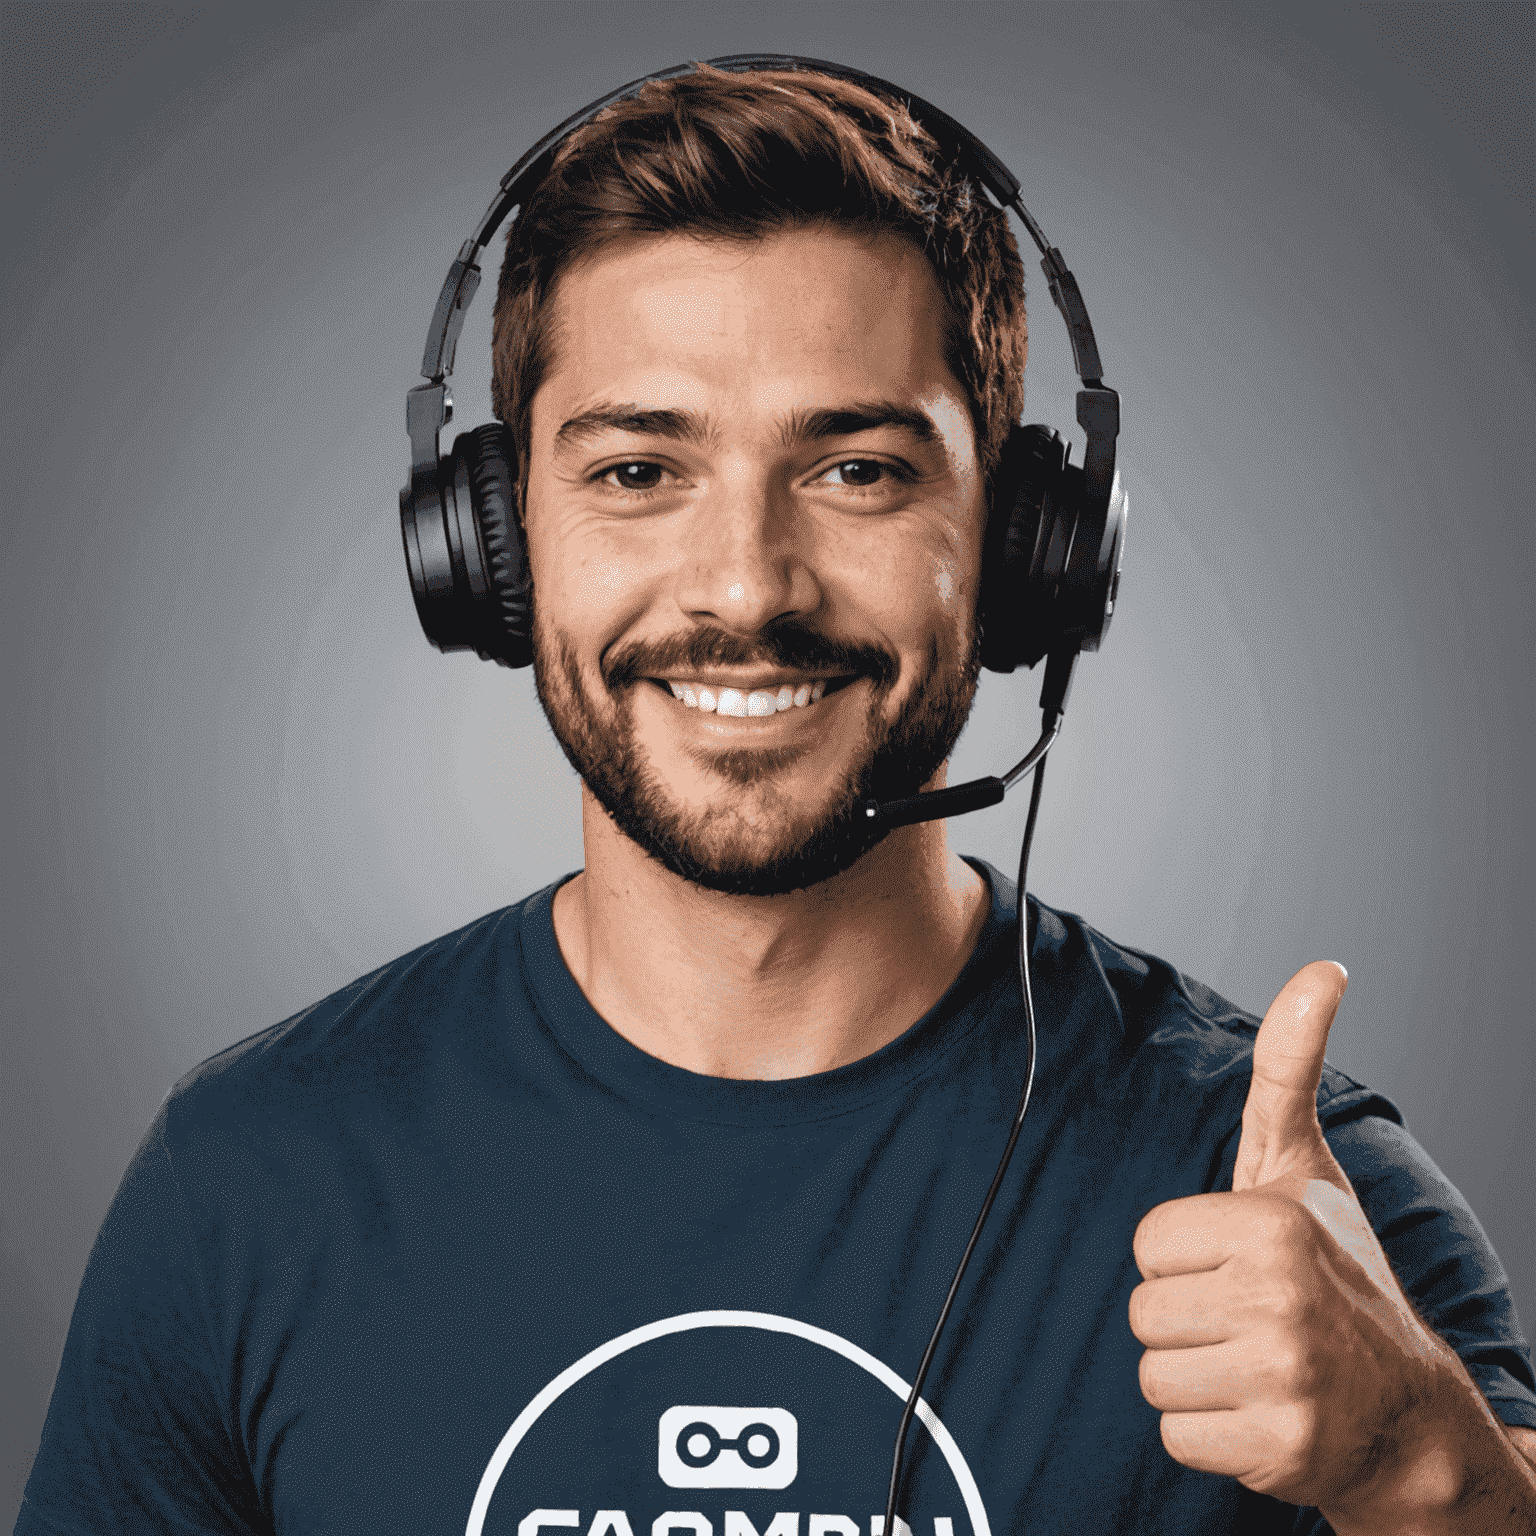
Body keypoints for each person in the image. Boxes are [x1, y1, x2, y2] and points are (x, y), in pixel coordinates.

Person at [18, 59, 1535, 1536]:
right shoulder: (251, 1180)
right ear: (489, 545)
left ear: (1022, 548)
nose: (745, 583)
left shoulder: (1287, 1202)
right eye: (635, 473)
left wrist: (1425, 1476)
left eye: (859, 470)